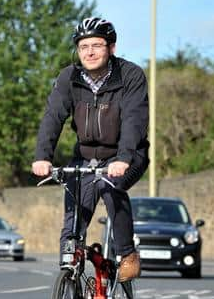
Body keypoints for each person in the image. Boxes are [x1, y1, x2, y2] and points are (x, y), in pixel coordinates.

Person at [32, 17, 149, 281]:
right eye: (83, 46)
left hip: (127, 154)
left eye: (96, 45)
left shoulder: (130, 75)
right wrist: (42, 157)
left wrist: (124, 158)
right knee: (74, 212)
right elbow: (53, 117)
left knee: (110, 186)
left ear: (111, 48)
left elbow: (134, 119)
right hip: (86, 156)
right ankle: (68, 283)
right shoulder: (69, 78)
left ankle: (127, 253)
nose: (90, 52)